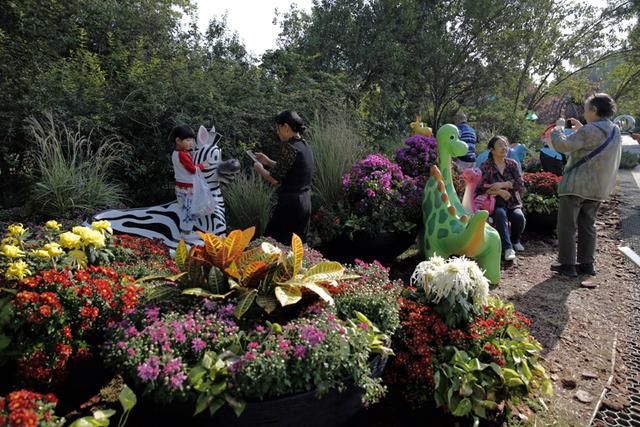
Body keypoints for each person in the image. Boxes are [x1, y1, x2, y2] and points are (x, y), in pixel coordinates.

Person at [549, 93, 622, 277]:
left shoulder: (589, 131)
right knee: (588, 225)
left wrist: (557, 129)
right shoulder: (615, 131)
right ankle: (587, 264)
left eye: (586, 108)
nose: (584, 112)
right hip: (598, 188)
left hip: (576, 185)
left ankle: (567, 265)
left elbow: (563, 146)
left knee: (567, 226)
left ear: (594, 110)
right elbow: (595, 142)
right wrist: (582, 129)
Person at [253, 111, 314, 244]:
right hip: (304, 202)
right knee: (296, 247)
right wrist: (268, 161)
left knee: (272, 244)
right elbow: (289, 168)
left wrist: (260, 169)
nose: (277, 132)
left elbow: (274, 179)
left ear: (286, 127)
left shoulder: (290, 147)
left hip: (290, 205)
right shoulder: (304, 145)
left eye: (278, 128)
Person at [477, 135, 526, 261]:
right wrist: (498, 191)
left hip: (512, 202)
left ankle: (515, 240)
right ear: (492, 150)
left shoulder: (512, 164)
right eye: (500, 145)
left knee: (519, 217)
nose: (504, 148)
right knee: (500, 215)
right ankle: (508, 248)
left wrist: (503, 184)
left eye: (505, 145)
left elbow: (520, 185)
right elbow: (480, 188)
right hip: (495, 203)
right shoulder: (486, 165)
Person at [170, 124, 207, 241]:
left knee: (184, 209)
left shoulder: (176, 153)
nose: (191, 142)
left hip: (180, 187)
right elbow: (192, 169)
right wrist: (203, 165)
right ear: (178, 140)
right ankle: (186, 233)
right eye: (188, 140)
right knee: (190, 210)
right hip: (187, 188)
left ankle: (186, 231)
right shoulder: (183, 154)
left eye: (192, 140)